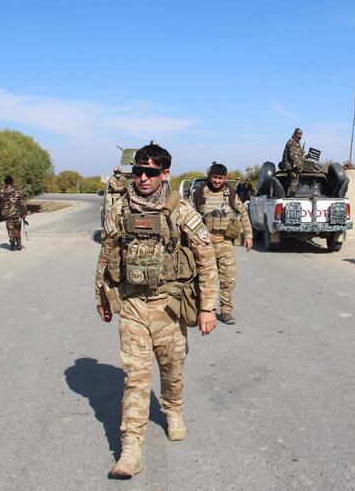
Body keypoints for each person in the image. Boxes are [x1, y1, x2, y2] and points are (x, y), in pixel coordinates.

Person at [93, 143, 218, 478]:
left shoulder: (180, 210)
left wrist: (208, 307)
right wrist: (101, 296)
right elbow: (106, 253)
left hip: (169, 306)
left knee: (172, 369)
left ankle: (173, 409)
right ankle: (131, 448)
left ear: (165, 174)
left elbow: (206, 257)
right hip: (132, 305)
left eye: (151, 172)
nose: (143, 178)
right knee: (135, 377)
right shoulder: (120, 207)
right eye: (138, 171)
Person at [191, 163, 253, 325]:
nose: (217, 181)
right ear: (210, 176)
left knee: (227, 279)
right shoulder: (199, 194)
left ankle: (225, 311)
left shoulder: (230, 194)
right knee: (202, 278)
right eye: (215, 177)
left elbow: (243, 213)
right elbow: (189, 217)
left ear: (225, 178)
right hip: (204, 243)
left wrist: (249, 235)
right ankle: (204, 309)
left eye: (220, 178)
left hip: (224, 242)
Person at [0, 175, 26, 251]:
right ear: (12, 182)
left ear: (5, 182)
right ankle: (19, 242)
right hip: (17, 213)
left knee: (10, 228)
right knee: (17, 227)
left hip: (7, 213)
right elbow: (22, 203)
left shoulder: (1, 192)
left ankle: (12, 241)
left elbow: (0, 202)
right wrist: (24, 213)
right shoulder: (18, 191)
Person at [281, 127, 304, 196]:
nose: (300, 137)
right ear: (295, 134)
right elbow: (293, 155)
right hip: (290, 166)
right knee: (294, 180)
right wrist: (298, 165)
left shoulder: (296, 142)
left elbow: (298, 154)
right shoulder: (292, 142)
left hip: (292, 165)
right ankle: (291, 196)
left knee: (293, 180)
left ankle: (290, 194)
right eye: (298, 135)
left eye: (300, 136)